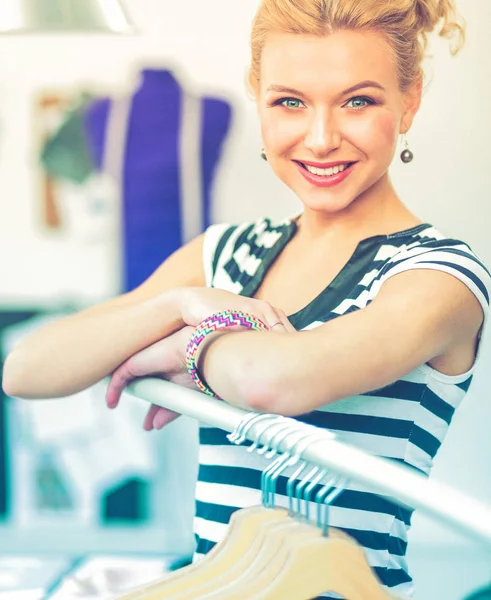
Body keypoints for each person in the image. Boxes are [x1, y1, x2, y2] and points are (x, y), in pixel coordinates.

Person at [3, 0, 490, 597]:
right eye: (290, 102)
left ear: (409, 101)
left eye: (358, 101)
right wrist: (176, 305)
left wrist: (188, 345)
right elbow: (27, 369)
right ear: (258, 97)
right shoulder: (226, 254)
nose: (320, 138)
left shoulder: (440, 275)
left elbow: (274, 382)